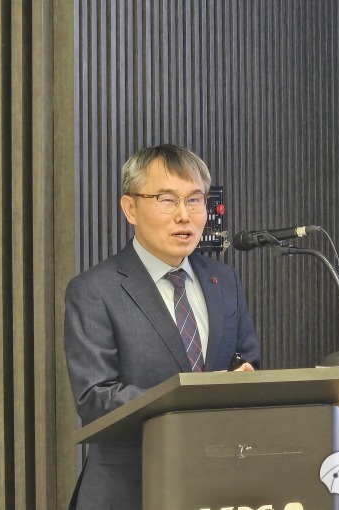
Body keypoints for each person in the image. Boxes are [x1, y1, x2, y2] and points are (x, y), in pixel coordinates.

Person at [64, 144, 261, 509]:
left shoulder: (224, 280)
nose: (184, 216)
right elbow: (95, 398)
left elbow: (246, 362)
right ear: (130, 208)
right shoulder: (95, 290)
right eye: (167, 200)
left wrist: (243, 378)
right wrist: (193, 395)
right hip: (131, 490)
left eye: (195, 200)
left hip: (217, 486)